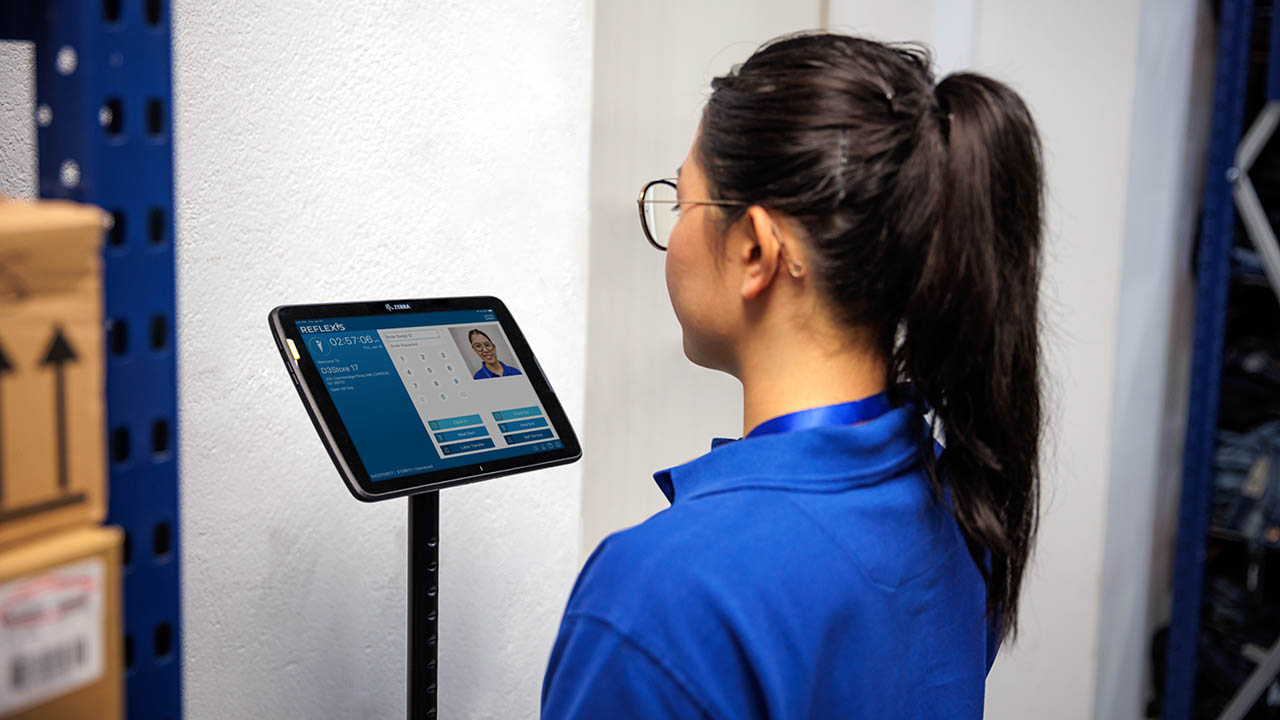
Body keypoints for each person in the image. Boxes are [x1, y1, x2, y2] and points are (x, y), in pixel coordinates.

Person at [542, 32, 1043, 719]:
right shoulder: (957, 504)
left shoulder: (659, 596)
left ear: (754, 249)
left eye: (682, 202)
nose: (673, 233)